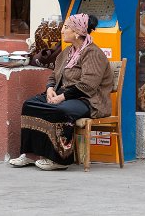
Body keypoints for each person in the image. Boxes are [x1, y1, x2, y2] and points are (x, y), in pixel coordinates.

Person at [9, 13, 112, 170]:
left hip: (88, 100)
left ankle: (58, 159)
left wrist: (62, 97)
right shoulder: (67, 52)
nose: (62, 31)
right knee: (29, 105)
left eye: (66, 27)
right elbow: (53, 75)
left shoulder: (93, 54)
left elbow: (88, 86)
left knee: (60, 110)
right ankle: (30, 154)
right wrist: (50, 89)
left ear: (77, 32)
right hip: (63, 95)